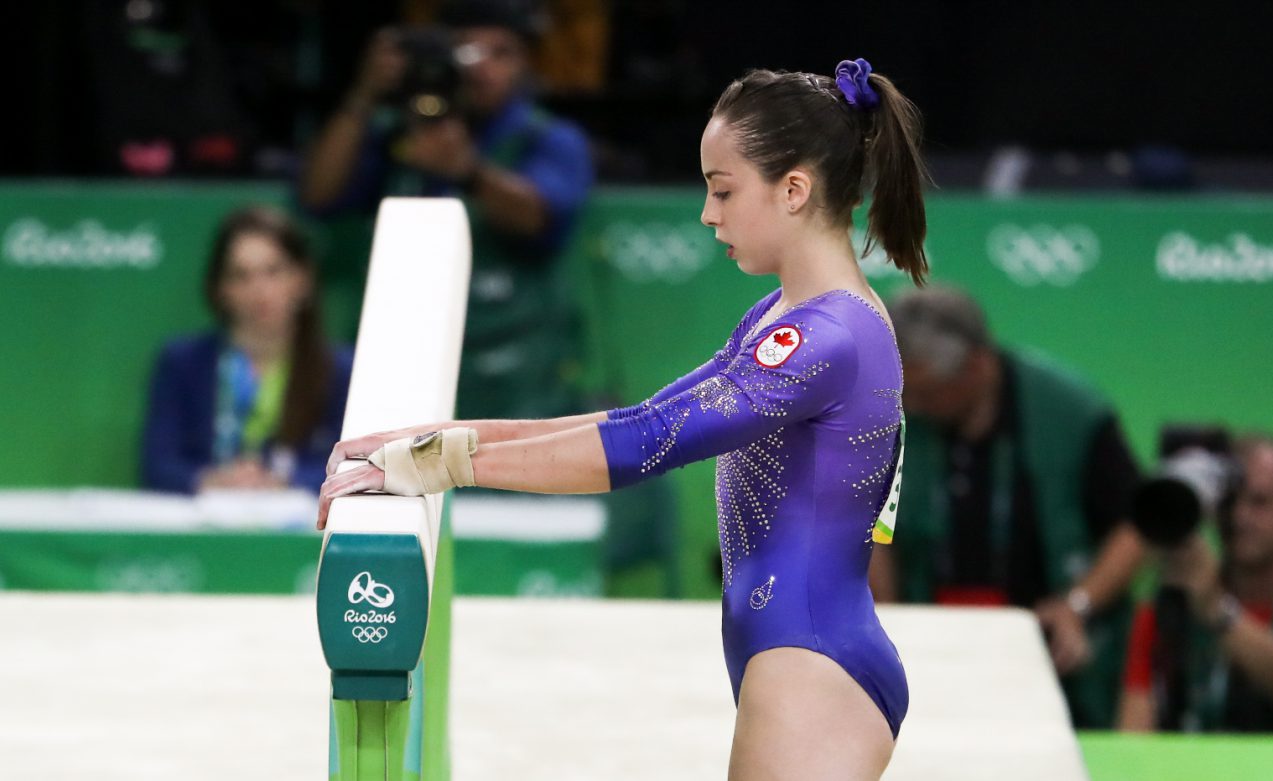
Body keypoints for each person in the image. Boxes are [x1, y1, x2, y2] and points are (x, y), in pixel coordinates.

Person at [318, 58, 926, 778]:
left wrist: (446, 463)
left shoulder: (827, 339)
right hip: (795, 648)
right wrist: (434, 444)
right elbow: (643, 416)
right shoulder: (782, 317)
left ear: (794, 189)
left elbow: (644, 446)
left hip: (815, 663)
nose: (708, 214)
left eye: (722, 190)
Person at [297, 0, 594, 420]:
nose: (481, 67)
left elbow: (540, 218)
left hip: (515, 381)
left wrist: (467, 171)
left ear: (526, 63)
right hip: (400, 368)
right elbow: (317, 197)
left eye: (500, 52)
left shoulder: (547, 138)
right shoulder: (397, 133)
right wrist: (364, 94)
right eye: (466, 52)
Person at [870, 286, 1146, 728]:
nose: (913, 406)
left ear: (977, 364)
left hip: (1050, 656)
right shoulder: (892, 411)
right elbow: (870, 521)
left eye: (926, 392)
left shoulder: (1069, 410)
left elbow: (1136, 523)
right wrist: (886, 617)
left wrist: (1078, 604)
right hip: (932, 657)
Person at [1118, 434, 1273, 733]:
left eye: (1260, 502)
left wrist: (1217, 610)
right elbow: (1134, 738)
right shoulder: (1168, 604)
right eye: (1229, 501)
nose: (1240, 516)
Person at [141, 206, 353, 494]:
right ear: (220, 289)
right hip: (204, 525)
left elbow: (352, 468)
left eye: (273, 271)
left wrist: (283, 483)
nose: (259, 289)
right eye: (241, 276)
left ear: (302, 280)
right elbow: (158, 466)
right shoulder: (183, 362)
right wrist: (211, 481)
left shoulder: (340, 370)